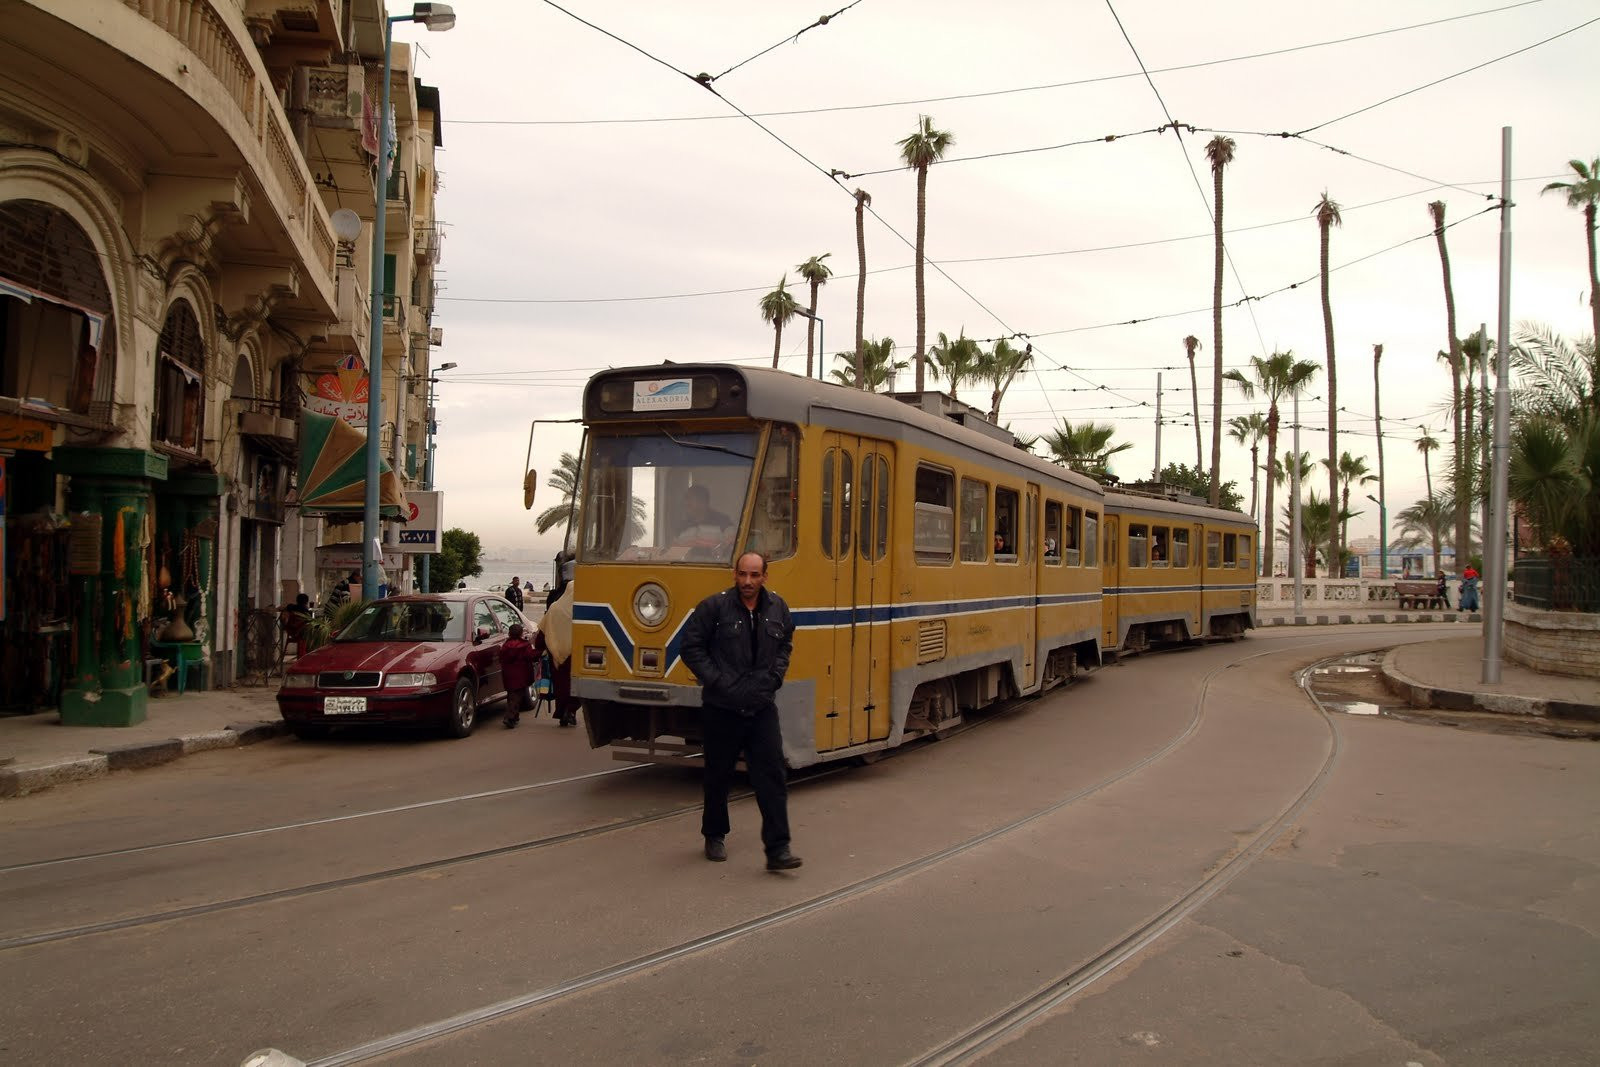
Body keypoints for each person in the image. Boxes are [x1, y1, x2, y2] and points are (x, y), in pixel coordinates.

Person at [680, 551, 801, 872]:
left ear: (764, 577)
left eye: (754, 575)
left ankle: (778, 849)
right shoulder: (714, 607)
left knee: (772, 776)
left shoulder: (778, 607)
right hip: (722, 708)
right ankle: (714, 835)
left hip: (761, 707)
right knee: (718, 776)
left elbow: (786, 643)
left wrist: (775, 677)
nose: (748, 582)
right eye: (743, 575)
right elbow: (690, 647)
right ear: (735, 575)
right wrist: (717, 681)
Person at [530, 621, 576, 727]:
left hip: (556, 657)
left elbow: (541, 636)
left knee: (561, 686)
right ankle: (570, 710)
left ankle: (562, 713)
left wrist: (541, 649)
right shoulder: (581, 607)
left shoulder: (554, 610)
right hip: (576, 655)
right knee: (576, 686)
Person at [500, 623, 536, 728]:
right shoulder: (525, 646)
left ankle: (515, 717)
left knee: (511, 696)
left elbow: (501, 658)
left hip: (508, 675)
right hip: (521, 675)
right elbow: (530, 656)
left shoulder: (505, 646)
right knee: (517, 697)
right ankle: (509, 717)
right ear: (521, 633)